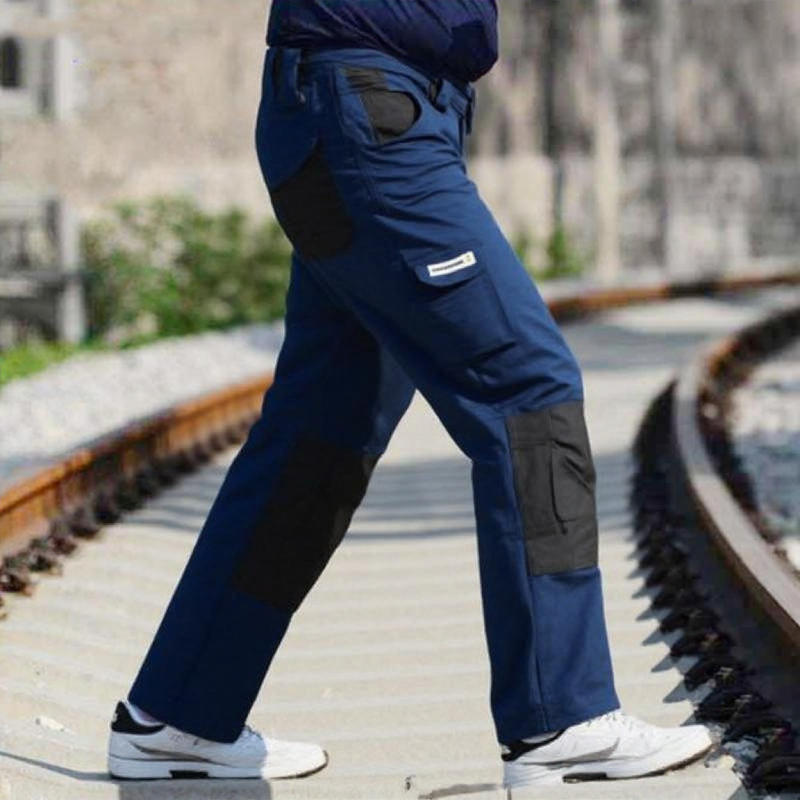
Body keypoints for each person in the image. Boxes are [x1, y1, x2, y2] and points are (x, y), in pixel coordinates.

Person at [107, 0, 713, 788]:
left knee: (321, 438)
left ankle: (180, 715)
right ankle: (561, 719)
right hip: (370, 116)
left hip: (364, 115)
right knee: (528, 389)